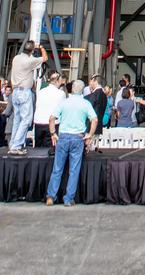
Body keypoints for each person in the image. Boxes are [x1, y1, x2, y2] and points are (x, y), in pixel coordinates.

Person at [45, 78, 97, 208]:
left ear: (72, 90)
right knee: (74, 170)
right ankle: (68, 199)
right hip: (78, 138)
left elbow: (51, 118)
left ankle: (51, 196)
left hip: (63, 137)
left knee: (57, 168)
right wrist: (90, 135)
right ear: (82, 91)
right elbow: (94, 120)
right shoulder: (86, 104)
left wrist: (53, 133)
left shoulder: (64, 102)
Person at [8, 41, 47, 155]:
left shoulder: (16, 58)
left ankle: (13, 144)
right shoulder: (29, 61)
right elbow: (45, 58)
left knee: (17, 119)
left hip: (15, 91)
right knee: (26, 120)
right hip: (24, 92)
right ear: (32, 50)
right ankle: (16, 145)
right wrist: (41, 47)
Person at [34, 71, 65, 148]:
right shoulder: (61, 93)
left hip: (39, 122)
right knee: (50, 149)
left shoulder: (41, 91)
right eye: (60, 80)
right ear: (57, 81)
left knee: (37, 148)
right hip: (52, 124)